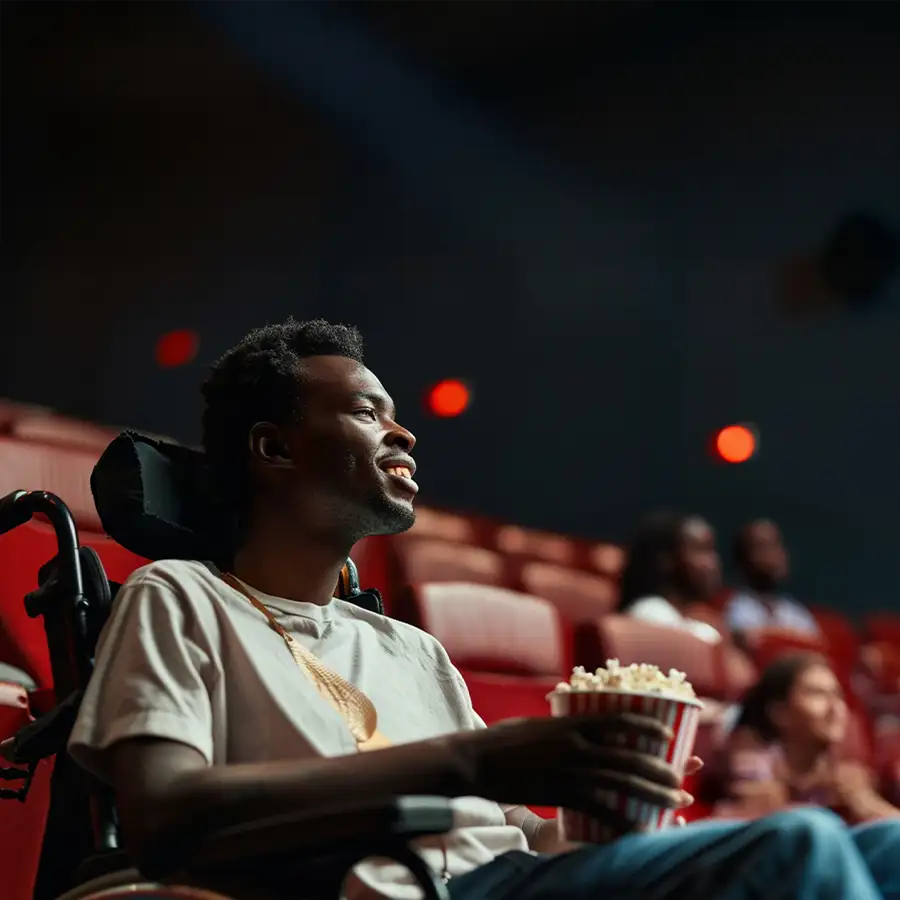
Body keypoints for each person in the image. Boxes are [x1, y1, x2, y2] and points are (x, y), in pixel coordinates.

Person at [68, 319, 900, 900]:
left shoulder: (412, 650)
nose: (406, 436)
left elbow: (520, 832)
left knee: (889, 845)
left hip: (517, 876)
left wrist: (608, 805)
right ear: (273, 449)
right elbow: (161, 816)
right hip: (406, 891)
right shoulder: (180, 598)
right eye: (367, 413)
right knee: (804, 845)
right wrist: (474, 762)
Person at [706, 652, 899, 826]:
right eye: (817, 694)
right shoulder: (751, 762)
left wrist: (866, 805)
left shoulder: (844, 776)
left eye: (838, 696)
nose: (835, 709)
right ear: (779, 713)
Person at [617, 512, 723, 644]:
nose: (713, 563)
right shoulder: (648, 616)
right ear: (666, 560)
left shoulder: (690, 623)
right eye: (701, 550)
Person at [725, 519, 821, 638]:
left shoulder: (796, 613)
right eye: (763, 548)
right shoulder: (735, 608)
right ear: (743, 560)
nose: (776, 555)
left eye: (777, 545)